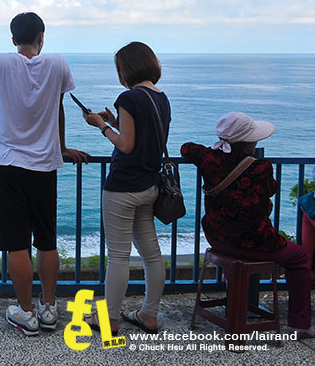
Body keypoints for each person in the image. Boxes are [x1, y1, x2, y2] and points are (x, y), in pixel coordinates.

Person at [0, 12, 88, 336]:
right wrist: (61, 148)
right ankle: (49, 309)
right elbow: (58, 109)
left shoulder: (1, 62)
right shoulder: (57, 64)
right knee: (47, 241)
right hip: (44, 166)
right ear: (42, 35)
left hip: (8, 165)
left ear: (13, 39)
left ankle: (26, 313)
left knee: (16, 244)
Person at [181, 113, 315, 338]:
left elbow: (186, 148)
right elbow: (271, 189)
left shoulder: (208, 157)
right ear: (249, 142)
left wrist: (213, 149)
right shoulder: (261, 167)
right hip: (254, 242)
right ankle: (300, 324)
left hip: (216, 236)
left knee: (239, 256)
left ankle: (233, 294)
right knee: (300, 258)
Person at [81, 42, 166, 334]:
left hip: (123, 187)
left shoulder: (128, 97)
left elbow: (126, 145)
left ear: (125, 69)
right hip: (149, 186)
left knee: (118, 256)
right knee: (151, 255)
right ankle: (149, 315)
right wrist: (117, 121)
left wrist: (102, 126)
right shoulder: (160, 97)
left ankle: (110, 319)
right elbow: (145, 135)